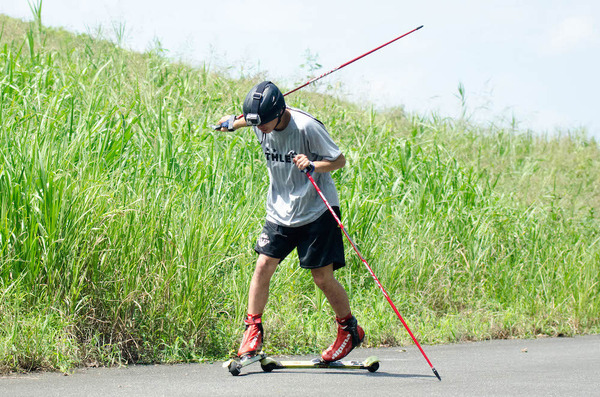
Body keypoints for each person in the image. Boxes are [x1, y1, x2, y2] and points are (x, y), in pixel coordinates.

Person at [216, 81, 364, 362]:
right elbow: (244, 120)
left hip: (316, 209)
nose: (259, 129)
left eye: (263, 124)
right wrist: (229, 124)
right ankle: (253, 331)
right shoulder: (260, 120)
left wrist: (312, 165)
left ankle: (349, 330)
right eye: (254, 123)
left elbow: (339, 160)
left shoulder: (307, 127)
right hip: (280, 211)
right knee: (263, 265)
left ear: (280, 112)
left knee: (322, 277)